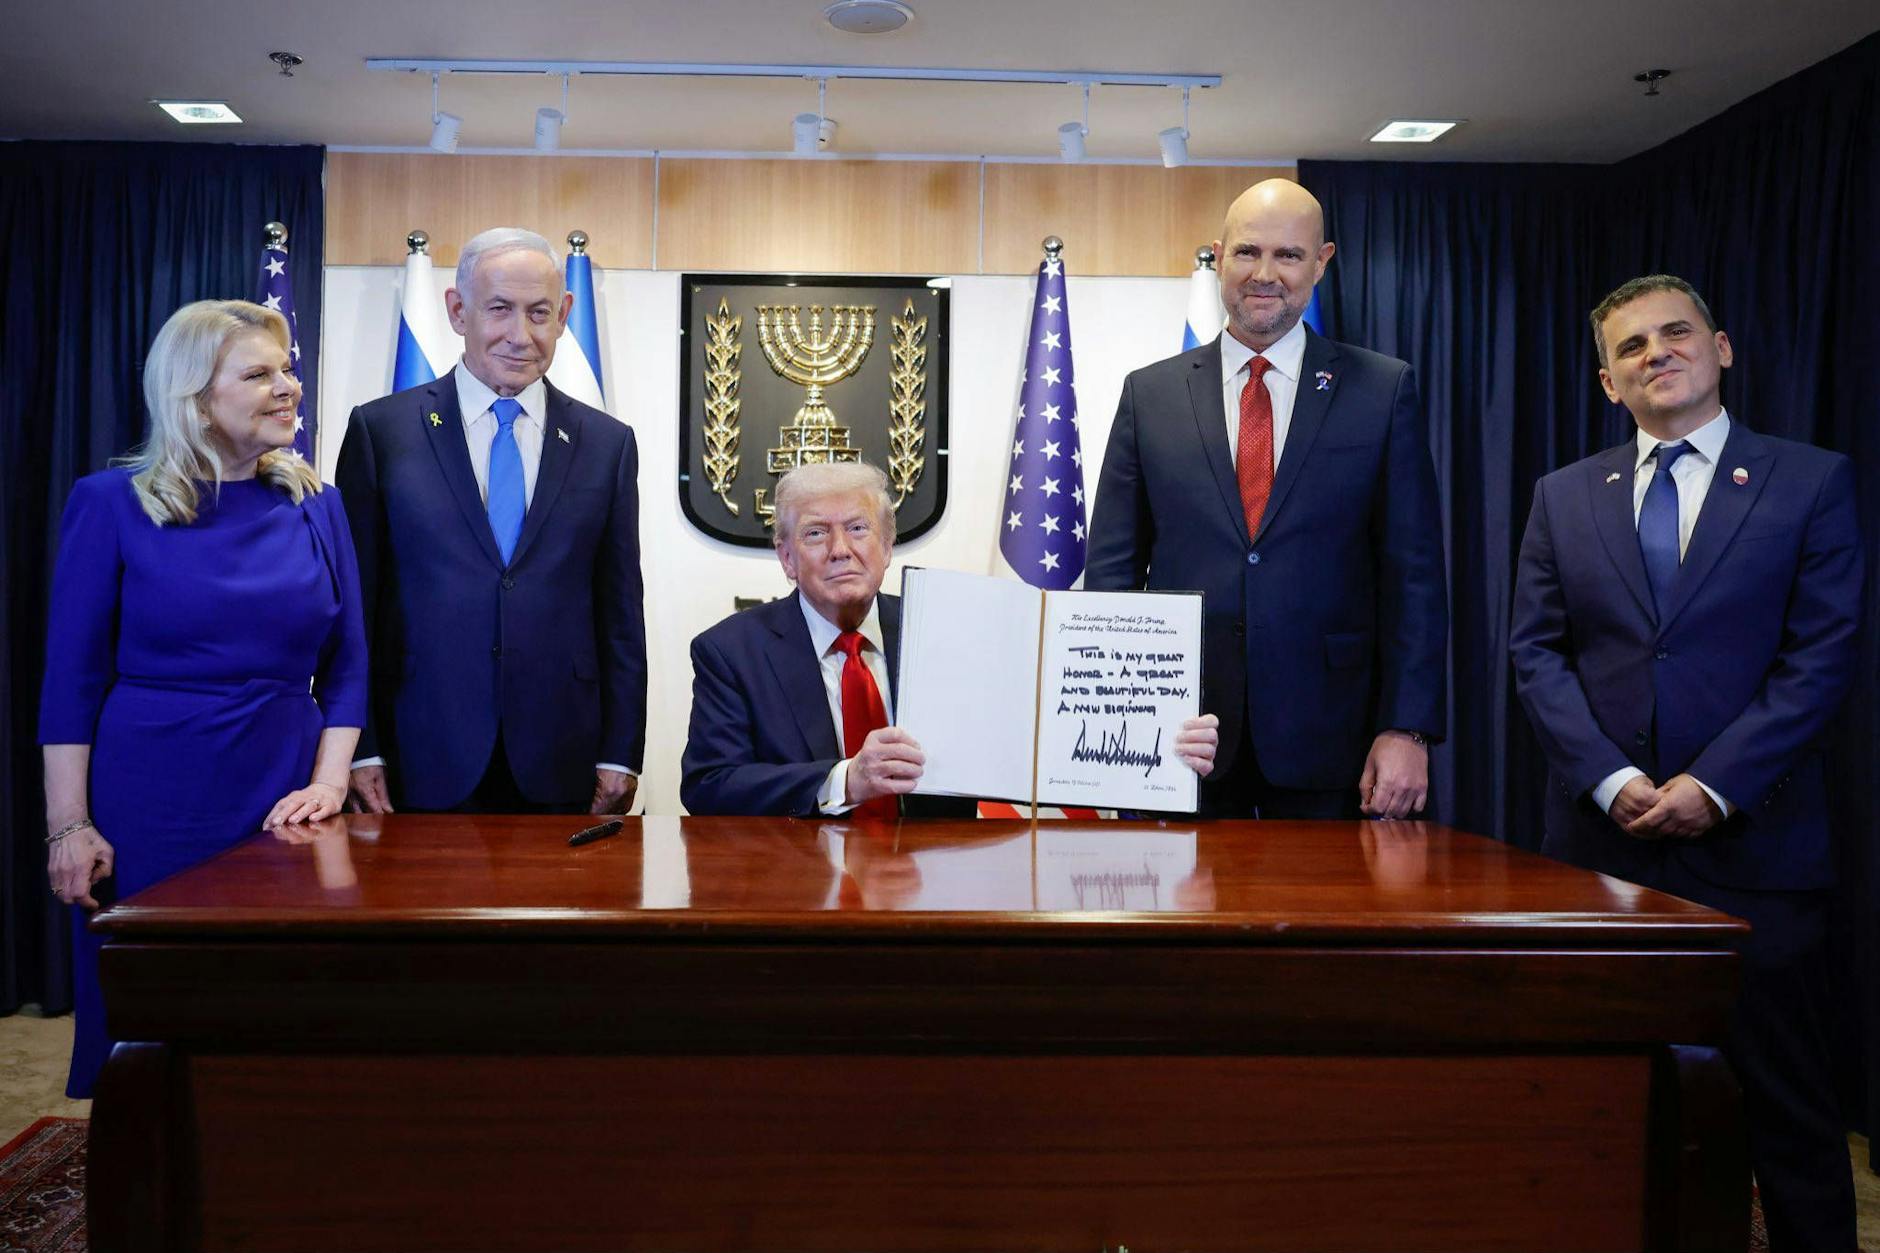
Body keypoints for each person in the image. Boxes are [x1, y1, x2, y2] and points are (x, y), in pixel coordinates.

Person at [1510, 274, 1860, 1251]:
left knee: (1785, 1109)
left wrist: (1711, 786)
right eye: (1629, 346)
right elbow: (1533, 653)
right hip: (1600, 852)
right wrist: (1611, 781)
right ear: (1604, 381)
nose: (1654, 352)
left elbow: (1820, 654)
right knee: (1603, 1106)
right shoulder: (1562, 495)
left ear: (1721, 349)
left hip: (1756, 854)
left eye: (1674, 334)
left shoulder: (1809, 479)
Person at [39, 299, 367, 1098]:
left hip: (286, 803)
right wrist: (69, 825)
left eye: (287, 370)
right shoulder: (109, 503)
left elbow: (352, 663)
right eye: (259, 373)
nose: (288, 386)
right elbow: (70, 681)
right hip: (153, 802)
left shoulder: (315, 502)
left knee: (280, 1026)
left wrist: (328, 784)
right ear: (194, 396)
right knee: (155, 1031)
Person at [1087, 178, 1446, 820]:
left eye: (1289, 255)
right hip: (1176, 737)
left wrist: (1407, 728)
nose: (1265, 273)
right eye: (1248, 251)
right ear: (1219, 256)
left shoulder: (1382, 390)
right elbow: (1112, 574)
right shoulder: (1150, 394)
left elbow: (1413, 576)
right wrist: (1116, 726)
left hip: (1334, 737)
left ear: (1322, 262)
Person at [681, 462, 1216, 817]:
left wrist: (1165, 745)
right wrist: (846, 780)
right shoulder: (731, 652)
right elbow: (709, 786)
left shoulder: (953, 625)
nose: (841, 549)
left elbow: (1045, 730)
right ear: (787, 558)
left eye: (859, 529)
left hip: (937, 887)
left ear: (888, 546)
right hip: (799, 890)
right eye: (816, 533)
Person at [336, 227, 646, 815]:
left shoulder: (607, 444)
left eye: (539, 313)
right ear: (457, 311)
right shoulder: (382, 432)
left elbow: (620, 611)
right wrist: (361, 746)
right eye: (499, 309)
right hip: (418, 752)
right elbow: (357, 608)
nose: (520, 335)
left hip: (562, 754)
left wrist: (621, 752)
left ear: (564, 315)